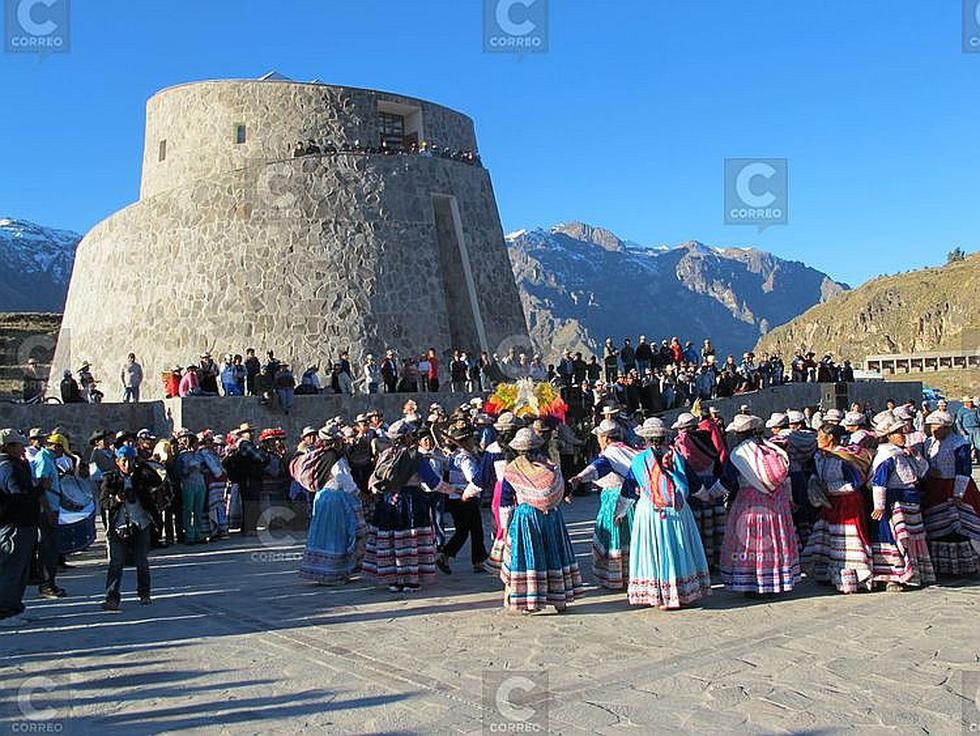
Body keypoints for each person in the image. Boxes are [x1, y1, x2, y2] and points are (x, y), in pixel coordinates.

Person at [615, 418, 712, 609]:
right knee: (677, 547)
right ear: (664, 436)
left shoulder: (640, 462)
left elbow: (628, 490)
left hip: (650, 511)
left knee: (655, 550)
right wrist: (706, 496)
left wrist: (620, 512)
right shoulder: (677, 457)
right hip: (678, 509)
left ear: (646, 439)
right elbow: (693, 484)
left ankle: (659, 594)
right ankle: (680, 592)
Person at [700, 414, 801, 597]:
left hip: (749, 503)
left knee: (752, 544)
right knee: (772, 542)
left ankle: (753, 583)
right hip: (776, 501)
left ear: (740, 434)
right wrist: (790, 498)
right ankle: (773, 581)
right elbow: (786, 477)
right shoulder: (771, 448)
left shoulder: (739, 454)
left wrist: (708, 495)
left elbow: (726, 482)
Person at [498, 427, 583, 613]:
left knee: (530, 557)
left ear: (517, 450)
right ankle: (560, 599)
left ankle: (531, 600)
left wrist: (506, 526)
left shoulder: (513, 470)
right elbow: (562, 489)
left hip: (526, 517)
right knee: (554, 553)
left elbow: (505, 500)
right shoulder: (550, 466)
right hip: (551, 516)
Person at [363, 420, 448, 592]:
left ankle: (394, 580)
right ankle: (411, 579)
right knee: (410, 538)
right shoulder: (415, 456)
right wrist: (455, 490)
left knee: (392, 539)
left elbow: (376, 479)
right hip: (411, 501)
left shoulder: (386, 454)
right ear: (407, 437)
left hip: (389, 501)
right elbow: (433, 483)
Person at [801, 424, 874, 593]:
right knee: (828, 537)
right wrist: (814, 483)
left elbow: (856, 482)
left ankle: (854, 578)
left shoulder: (843, 457)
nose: (817, 439)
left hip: (848, 503)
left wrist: (831, 488)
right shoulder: (819, 456)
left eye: (820, 436)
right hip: (829, 503)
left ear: (831, 438)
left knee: (848, 540)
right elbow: (815, 473)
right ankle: (828, 574)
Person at [868, 410, 935, 591]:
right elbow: (879, 482)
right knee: (895, 538)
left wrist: (915, 455)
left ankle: (912, 573)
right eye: (898, 433)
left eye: (902, 432)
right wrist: (879, 506)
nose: (902, 436)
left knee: (911, 538)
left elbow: (922, 472)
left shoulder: (902, 453)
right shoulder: (886, 456)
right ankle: (892, 577)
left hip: (909, 501)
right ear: (888, 436)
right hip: (894, 502)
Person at [568, 419, 639, 590]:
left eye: (600, 437)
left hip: (617, 501)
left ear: (606, 438)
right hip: (634, 500)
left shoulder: (611, 454)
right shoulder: (631, 451)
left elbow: (597, 468)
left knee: (616, 537)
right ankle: (634, 574)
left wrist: (578, 479)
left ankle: (617, 576)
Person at [292, 425, 366, 585]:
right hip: (336, 499)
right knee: (336, 535)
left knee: (322, 534)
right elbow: (343, 478)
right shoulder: (335, 457)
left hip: (321, 497)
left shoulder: (318, 455)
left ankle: (321, 571)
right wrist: (357, 492)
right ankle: (334, 573)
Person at [99, 445, 159, 610]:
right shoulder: (110, 478)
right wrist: (116, 499)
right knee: (116, 562)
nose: (127, 464)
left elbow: (157, 480)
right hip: (119, 525)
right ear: (118, 462)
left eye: (131, 460)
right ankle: (111, 597)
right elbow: (103, 502)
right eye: (124, 460)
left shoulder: (141, 475)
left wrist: (143, 463)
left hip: (140, 523)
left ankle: (144, 593)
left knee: (142, 561)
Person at [921, 410, 980, 576]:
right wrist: (928, 471)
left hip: (955, 486)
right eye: (931, 426)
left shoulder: (959, 444)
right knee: (937, 524)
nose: (934, 430)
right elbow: (924, 463)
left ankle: (964, 565)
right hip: (935, 488)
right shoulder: (929, 443)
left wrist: (959, 493)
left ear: (947, 427)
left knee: (959, 524)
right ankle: (941, 564)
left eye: (937, 427)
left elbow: (964, 470)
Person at [671, 412, 724, 569]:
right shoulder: (708, 438)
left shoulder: (682, 443)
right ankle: (716, 560)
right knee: (713, 526)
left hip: (694, 486)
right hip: (712, 483)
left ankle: (700, 562)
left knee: (697, 527)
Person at [434, 425, 487, 574]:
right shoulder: (465, 459)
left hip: (455, 498)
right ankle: (478, 561)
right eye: (471, 439)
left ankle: (446, 555)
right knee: (475, 530)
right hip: (465, 497)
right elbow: (473, 479)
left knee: (463, 531)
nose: (474, 441)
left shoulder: (456, 456)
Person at [0, 429, 39, 626]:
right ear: (8, 446)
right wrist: (39, 489)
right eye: (18, 445)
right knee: (11, 568)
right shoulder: (8, 467)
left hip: (19, 523)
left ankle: (13, 607)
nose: (23, 448)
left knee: (19, 568)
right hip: (15, 524)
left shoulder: (14, 465)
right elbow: (19, 494)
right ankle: (5, 611)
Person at [173, 429, 208, 544]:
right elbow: (177, 473)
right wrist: (187, 470)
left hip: (200, 484)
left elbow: (206, 468)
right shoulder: (182, 456)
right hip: (188, 485)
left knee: (198, 510)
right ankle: (189, 534)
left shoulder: (200, 456)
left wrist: (203, 469)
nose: (197, 446)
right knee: (188, 510)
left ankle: (199, 534)